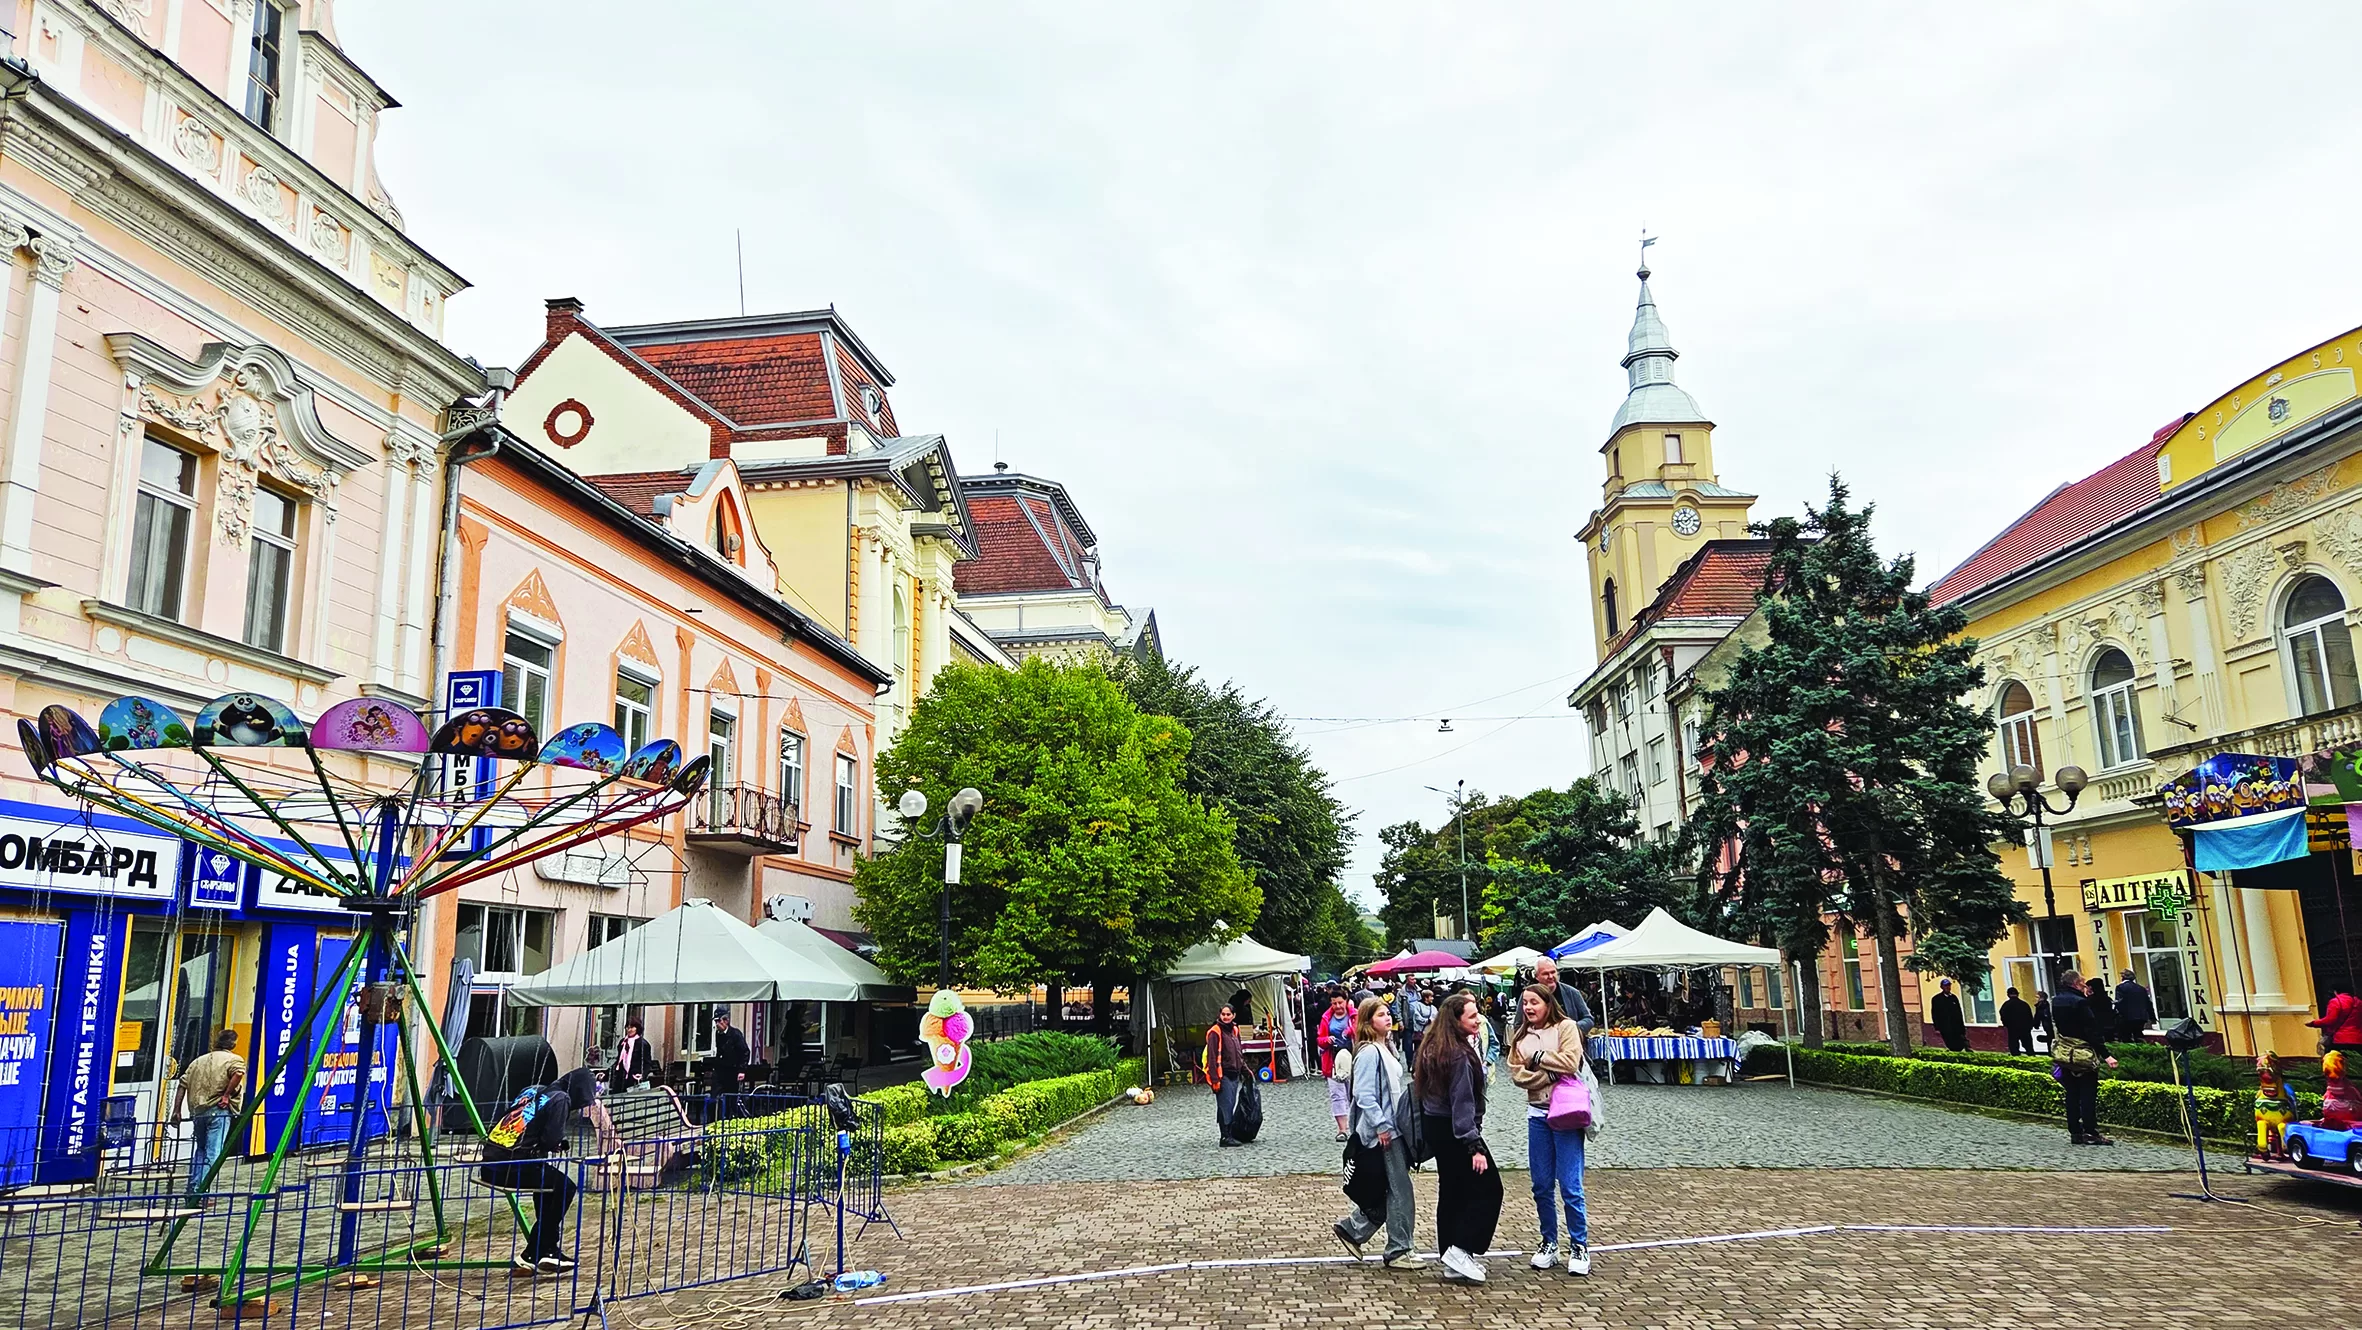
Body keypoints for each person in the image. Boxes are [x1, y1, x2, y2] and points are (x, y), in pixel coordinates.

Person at [1333, 997, 1426, 1270]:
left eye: (1388, 1013)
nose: (1388, 1018)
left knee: (1393, 1189)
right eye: (1381, 1014)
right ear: (1368, 1021)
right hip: (1383, 1133)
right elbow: (1363, 1094)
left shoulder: (1386, 1048)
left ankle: (1353, 1230)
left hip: (1394, 1129)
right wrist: (1382, 1125)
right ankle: (1398, 1248)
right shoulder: (1369, 1052)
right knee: (1400, 1190)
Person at [1416, 993, 1501, 1284]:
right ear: (1455, 1020)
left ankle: (1452, 1255)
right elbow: (1462, 1102)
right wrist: (1473, 1145)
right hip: (1455, 1130)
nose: (1478, 1019)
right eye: (1472, 1016)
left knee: (1452, 1190)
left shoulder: (1433, 1045)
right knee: (1489, 1189)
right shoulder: (1459, 1055)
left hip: (1436, 1125)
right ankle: (1461, 1247)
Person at [481, 1068, 601, 1273]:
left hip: (491, 1163)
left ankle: (544, 1249)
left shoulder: (533, 1091)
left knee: (547, 1187)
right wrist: (558, 1144)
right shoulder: (561, 1098)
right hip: (512, 1166)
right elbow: (551, 1139)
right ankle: (540, 1250)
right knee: (565, 1187)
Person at [1509, 986, 1592, 1277]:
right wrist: (1551, 1071)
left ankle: (1579, 1244)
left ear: (1548, 1003)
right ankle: (1549, 1242)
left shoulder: (1566, 1027)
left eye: (1534, 1002)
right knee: (1541, 1184)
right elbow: (1517, 1073)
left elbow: (1572, 1062)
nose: (1529, 1007)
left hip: (1566, 1114)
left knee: (1570, 1185)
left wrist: (1539, 1057)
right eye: (1525, 1003)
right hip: (1537, 1115)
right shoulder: (1519, 1035)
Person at [172, 1029, 246, 1200]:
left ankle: (192, 1189)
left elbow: (182, 1084)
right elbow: (238, 1073)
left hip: (198, 1111)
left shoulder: (198, 1061)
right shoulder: (233, 1059)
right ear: (233, 1044)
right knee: (213, 1152)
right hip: (217, 1109)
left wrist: (177, 1110)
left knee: (201, 1150)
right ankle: (201, 1192)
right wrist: (226, 1095)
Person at [2049, 970, 2119, 1146]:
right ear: (2075, 983)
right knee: (2087, 1093)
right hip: (2083, 1053)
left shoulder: (2056, 1001)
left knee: (2071, 1093)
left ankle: (2075, 1132)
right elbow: (2091, 1030)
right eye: (2082, 982)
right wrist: (2106, 1055)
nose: (2085, 985)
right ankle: (2090, 1131)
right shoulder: (2080, 1002)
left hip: (2065, 1053)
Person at [1205, 1005, 1252, 1147]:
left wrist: (1246, 1070)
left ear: (1234, 1015)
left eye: (1228, 1014)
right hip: (1222, 1074)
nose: (1225, 1017)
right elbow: (1212, 1058)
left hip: (1234, 1074)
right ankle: (1225, 1137)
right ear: (1219, 1015)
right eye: (1223, 1014)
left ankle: (1229, 1134)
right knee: (1225, 1105)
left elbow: (1239, 1053)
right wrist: (1215, 1080)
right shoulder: (1215, 1032)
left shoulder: (1234, 1030)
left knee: (1229, 1104)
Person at [1318, 993, 1355, 1141]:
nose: (1338, 1006)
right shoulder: (1326, 1018)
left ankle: (1356, 1125)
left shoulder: (1355, 1016)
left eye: (1340, 1002)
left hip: (1352, 1060)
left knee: (1354, 1094)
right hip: (1332, 1061)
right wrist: (1326, 1040)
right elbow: (1319, 1039)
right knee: (1337, 1095)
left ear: (1346, 1001)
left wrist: (1351, 1031)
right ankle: (1342, 1129)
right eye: (1334, 1003)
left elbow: (1363, 1032)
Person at [1529, 957, 1596, 1035]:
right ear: (1536, 976)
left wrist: (1572, 1028)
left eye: (1553, 972)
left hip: (1569, 1043)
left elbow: (1588, 1019)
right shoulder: (1529, 995)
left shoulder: (1572, 993)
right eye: (1545, 973)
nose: (1550, 976)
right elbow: (1519, 1024)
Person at [706, 1009, 750, 1117]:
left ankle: (732, 1119)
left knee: (731, 1099)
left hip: (732, 1070)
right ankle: (711, 1121)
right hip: (721, 1070)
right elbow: (720, 1051)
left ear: (726, 1021)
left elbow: (745, 1051)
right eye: (715, 1022)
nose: (717, 1024)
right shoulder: (718, 1034)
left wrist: (741, 1070)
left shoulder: (735, 1034)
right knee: (713, 1097)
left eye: (718, 1021)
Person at [2308, 982, 2362, 1055]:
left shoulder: (2336, 1002)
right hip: (2358, 1038)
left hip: (2340, 1039)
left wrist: (2313, 1023)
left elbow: (2330, 1020)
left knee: (2337, 1062)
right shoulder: (2358, 1002)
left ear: (2335, 991)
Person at [608, 1019, 655, 1095]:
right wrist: (607, 1073)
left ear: (637, 1028)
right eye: (627, 1027)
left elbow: (647, 1063)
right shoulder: (623, 1042)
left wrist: (642, 1075)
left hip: (634, 1079)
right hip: (621, 1079)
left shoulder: (643, 1044)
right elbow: (619, 1061)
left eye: (632, 1027)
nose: (629, 1029)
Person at [2113, 969, 2156, 1042]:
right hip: (2141, 1017)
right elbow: (2148, 1003)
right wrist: (2152, 1017)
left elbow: (2120, 1002)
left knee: (2126, 1037)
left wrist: (2116, 1014)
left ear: (2123, 977)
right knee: (2138, 1035)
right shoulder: (2141, 988)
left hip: (2127, 1017)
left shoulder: (2120, 987)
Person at [1930, 978, 1969, 1052]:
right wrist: (1937, 1028)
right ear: (1942, 987)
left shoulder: (1953, 998)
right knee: (1950, 1044)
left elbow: (1959, 1013)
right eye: (1945, 986)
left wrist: (1962, 1026)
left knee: (1959, 1044)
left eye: (1948, 985)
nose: (1947, 987)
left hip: (1956, 1026)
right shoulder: (1937, 999)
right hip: (1945, 1027)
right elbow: (1934, 1014)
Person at [2000, 987, 2036, 1056]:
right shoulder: (2024, 1004)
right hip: (2025, 1028)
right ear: (2018, 994)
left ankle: (2016, 1060)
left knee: (2014, 1047)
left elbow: (2003, 1015)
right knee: (2029, 1047)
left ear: (2008, 995)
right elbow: (2030, 1016)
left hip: (2012, 1029)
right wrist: (2030, 1026)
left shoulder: (2006, 1005)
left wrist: (2007, 1025)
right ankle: (2032, 1059)